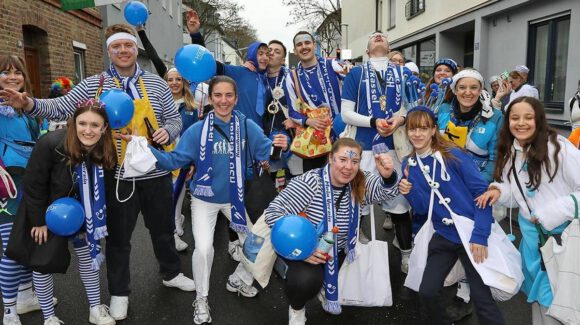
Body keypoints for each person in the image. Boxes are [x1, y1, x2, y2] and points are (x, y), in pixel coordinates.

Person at [0, 23, 194, 321]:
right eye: (116, 47)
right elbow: (62, 107)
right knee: (118, 239)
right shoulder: (95, 84)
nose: (123, 51)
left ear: (135, 49)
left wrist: (168, 131)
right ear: (109, 51)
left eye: (128, 46)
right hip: (114, 175)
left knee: (163, 229)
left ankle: (171, 272)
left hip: (154, 171)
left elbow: (174, 118)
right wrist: (29, 102)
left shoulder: (156, 84)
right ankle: (119, 293)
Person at [132, 76, 288, 325]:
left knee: (257, 243)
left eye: (229, 95)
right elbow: (175, 161)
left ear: (236, 99)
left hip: (234, 200)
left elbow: (270, 156)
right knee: (204, 248)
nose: (223, 101)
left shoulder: (248, 127)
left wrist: (282, 146)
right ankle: (202, 299)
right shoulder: (196, 130)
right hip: (204, 199)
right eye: (218, 95)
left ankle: (239, 278)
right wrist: (144, 149)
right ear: (211, 98)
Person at [264, 137, 399, 324]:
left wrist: (388, 176)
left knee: (339, 278)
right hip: (306, 249)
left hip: (339, 249)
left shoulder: (359, 180)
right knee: (305, 281)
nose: (348, 167)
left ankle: (328, 283)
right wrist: (304, 251)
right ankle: (297, 309)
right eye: (342, 160)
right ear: (330, 158)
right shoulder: (310, 182)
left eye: (354, 161)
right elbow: (273, 213)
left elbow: (385, 192)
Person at [6, 99, 116, 325]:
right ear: (73, 122)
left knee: (89, 258)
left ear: (104, 127)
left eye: (95, 125)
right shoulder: (50, 143)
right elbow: (34, 183)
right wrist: (39, 221)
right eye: (82, 123)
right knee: (42, 262)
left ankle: (95, 308)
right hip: (48, 212)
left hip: (83, 211)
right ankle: (49, 317)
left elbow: (106, 184)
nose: (88, 130)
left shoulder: (105, 147)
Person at [476, 96, 580, 325]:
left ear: (539, 120)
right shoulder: (512, 150)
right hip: (532, 243)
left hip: (561, 239)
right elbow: (517, 193)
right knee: (539, 302)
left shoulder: (558, 148)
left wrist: (551, 213)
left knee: (558, 303)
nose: (521, 123)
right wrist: (500, 192)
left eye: (528, 117)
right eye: (514, 118)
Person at [400, 106, 506, 325]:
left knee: (482, 298)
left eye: (423, 128)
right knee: (427, 292)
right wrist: (408, 192)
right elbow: (421, 209)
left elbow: (481, 194)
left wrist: (480, 235)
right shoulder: (409, 164)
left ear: (433, 130)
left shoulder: (454, 155)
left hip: (470, 234)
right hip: (444, 234)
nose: (417, 134)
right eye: (412, 129)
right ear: (406, 132)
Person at [341, 31, 412, 273]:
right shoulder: (356, 73)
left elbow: (410, 109)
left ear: (391, 47)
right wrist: (373, 121)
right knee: (357, 200)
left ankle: (406, 254)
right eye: (373, 36)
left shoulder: (402, 73)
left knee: (399, 205)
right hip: (361, 148)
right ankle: (355, 244)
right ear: (368, 50)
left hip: (394, 149)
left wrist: (400, 120)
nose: (379, 36)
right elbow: (346, 113)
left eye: (383, 36)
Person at [435, 68, 503, 320]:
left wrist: (478, 186)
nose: (467, 92)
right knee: (451, 237)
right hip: (445, 188)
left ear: (481, 90)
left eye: (473, 87)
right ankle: (448, 283)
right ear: (453, 89)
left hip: (477, 191)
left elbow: (498, 157)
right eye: (462, 87)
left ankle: (466, 294)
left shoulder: (494, 117)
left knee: (474, 241)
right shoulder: (442, 112)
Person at [0, 54, 48, 325]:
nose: (12, 76)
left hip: (31, 181)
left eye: (17, 71)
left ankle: (27, 296)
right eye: (5, 72)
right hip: (8, 184)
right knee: (13, 248)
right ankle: (9, 310)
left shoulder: (27, 105)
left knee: (29, 242)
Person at [187, 10, 270, 128]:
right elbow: (209, 64)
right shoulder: (239, 72)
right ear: (252, 54)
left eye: (267, 54)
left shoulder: (267, 79)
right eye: (260, 53)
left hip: (259, 135)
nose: (264, 57)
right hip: (236, 132)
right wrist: (195, 34)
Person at [285, 31, 345, 173]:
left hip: (342, 133)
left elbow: (355, 84)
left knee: (344, 177)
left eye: (307, 43)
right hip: (315, 138)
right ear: (294, 51)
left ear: (314, 45)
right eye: (299, 44)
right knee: (315, 182)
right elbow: (292, 111)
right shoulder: (291, 77)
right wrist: (307, 121)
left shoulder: (333, 64)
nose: (304, 47)